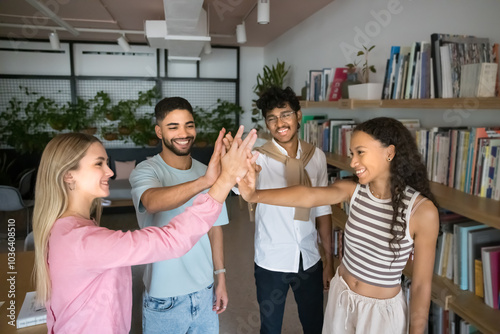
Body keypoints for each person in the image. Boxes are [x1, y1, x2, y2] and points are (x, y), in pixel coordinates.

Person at [32, 128, 257, 334]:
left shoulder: (67, 229)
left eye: (106, 162)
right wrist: (225, 180)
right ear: (68, 175)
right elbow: (171, 240)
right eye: (98, 164)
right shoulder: (82, 241)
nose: (109, 171)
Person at [238, 117, 439, 334]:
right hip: (341, 299)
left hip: (380, 316)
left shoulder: (422, 211)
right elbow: (308, 196)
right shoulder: (354, 191)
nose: (353, 162)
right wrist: (254, 194)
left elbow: (420, 286)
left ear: (389, 152)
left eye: (360, 152)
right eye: (352, 154)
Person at [232, 86, 333, 334]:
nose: (280, 123)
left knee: (314, 324)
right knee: (270, 327)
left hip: (309, 258)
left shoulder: (316, 157)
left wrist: (329, 260)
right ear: (267, 124)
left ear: (298, 116)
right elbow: (239, 189)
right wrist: (241, 175)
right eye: (272, 118)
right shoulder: (256, 158)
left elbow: (323, 209)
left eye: (285, 114)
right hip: (271, 260)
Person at [129, 97, 232, 333]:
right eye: (173, 127)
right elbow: (153, 202)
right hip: (164, 297)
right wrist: (205, 182)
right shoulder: (147, 170)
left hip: (205, 291)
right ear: (159, 131)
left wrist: (221, 278)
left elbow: (215, 228)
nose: (183, 133)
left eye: (189, 125)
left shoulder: (207, 171)